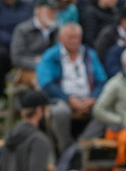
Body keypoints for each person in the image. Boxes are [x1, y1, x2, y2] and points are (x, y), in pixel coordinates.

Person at [36, 22, 108, 153]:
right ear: (61, 38)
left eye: (77, 37)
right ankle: (65, 148)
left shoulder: (89, 54)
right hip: (61, 99)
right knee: (59, 112)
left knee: (105, 112)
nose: (75, 41)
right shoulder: (51, 55)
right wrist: (68, 99)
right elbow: (46, 83)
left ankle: (79, 147)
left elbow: (101, 80)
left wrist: (93, 98)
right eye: (70, 37)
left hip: (88, 99)